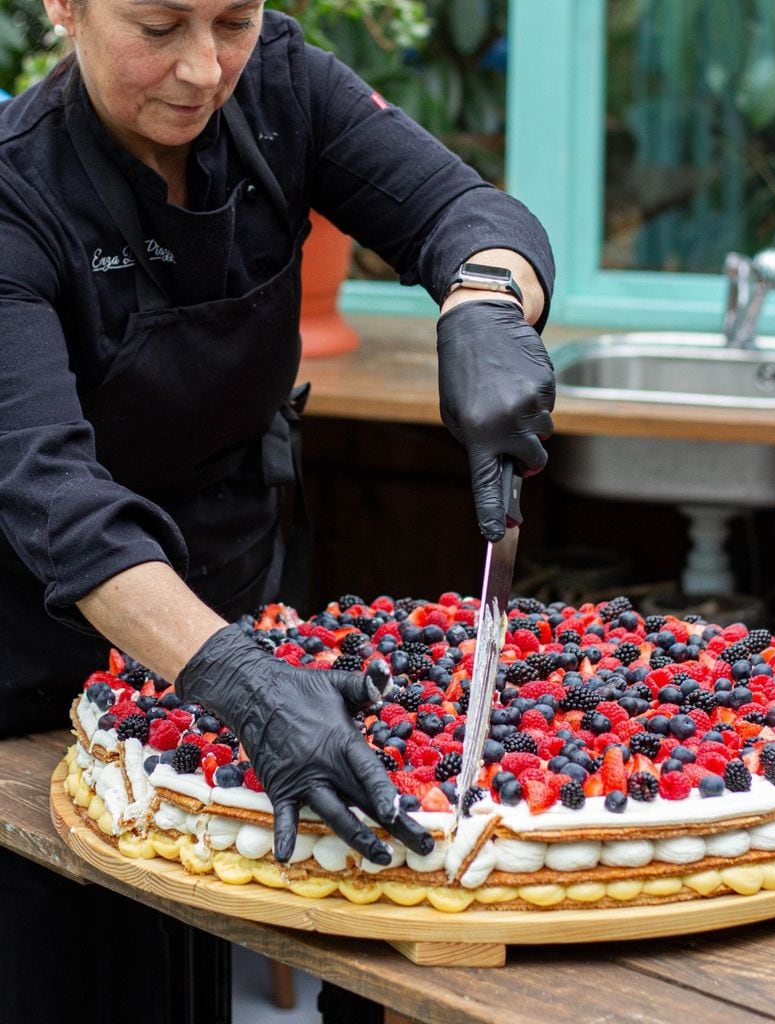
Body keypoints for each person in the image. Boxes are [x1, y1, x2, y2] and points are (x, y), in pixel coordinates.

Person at [0, 1, 555, 1020]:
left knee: (193, 965)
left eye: (233, 19)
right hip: (34, 682)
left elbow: (466, 215)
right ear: (63, 5)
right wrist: (242, 685)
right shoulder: (13, 196)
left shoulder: (285, 91)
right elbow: (59, 504)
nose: (205, 69)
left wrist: (485, 305)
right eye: (160, 26)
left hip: (228, 636)